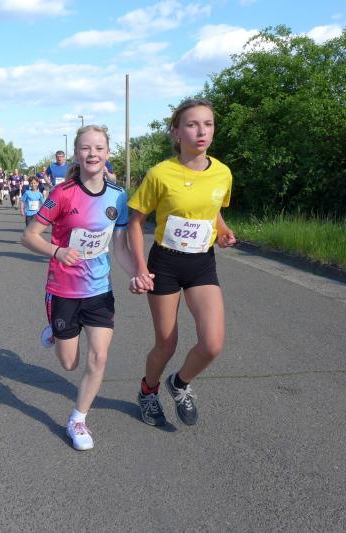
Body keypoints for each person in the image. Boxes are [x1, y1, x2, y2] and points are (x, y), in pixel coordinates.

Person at [21, 125, 149, 451]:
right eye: (86, 148)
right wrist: (57, 251)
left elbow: (119, 247)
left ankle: (78, 418)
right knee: (69, 364)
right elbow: (29, 236)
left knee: (99, 357)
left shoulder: (118, 196)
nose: (93, 153)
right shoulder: (62, 194)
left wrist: (138, 273)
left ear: (108, 153)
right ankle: (55, 331)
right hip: (63, 290)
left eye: (99, 148)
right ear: (77, 154)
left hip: (99, 289)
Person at [127, 98, 237, 428]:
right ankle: (148, 391)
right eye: (192, 124)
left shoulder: (222, 173)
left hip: (202, 262)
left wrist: (223, 231)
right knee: (166, 343)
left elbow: (212, 210)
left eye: (208, 124)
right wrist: (140, 267)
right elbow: (135, 222)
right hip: (165, 263)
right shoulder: (160, 174)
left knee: (212, 344)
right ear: (176, 132)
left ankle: (179, 383)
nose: (201, 131)